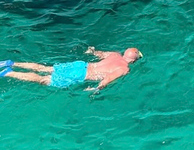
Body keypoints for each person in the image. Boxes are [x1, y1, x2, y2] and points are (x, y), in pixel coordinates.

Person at [0, 46, 143, 90]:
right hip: (80, 75)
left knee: (45, 68)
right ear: (134, 60)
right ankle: (8, 73)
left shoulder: (114, 54)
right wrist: (95, 89)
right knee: (43, 79)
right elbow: (108, 79)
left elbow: (97, 53)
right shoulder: (124, 69)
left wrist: (91, 51)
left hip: (81, 65)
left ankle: (10, 63)